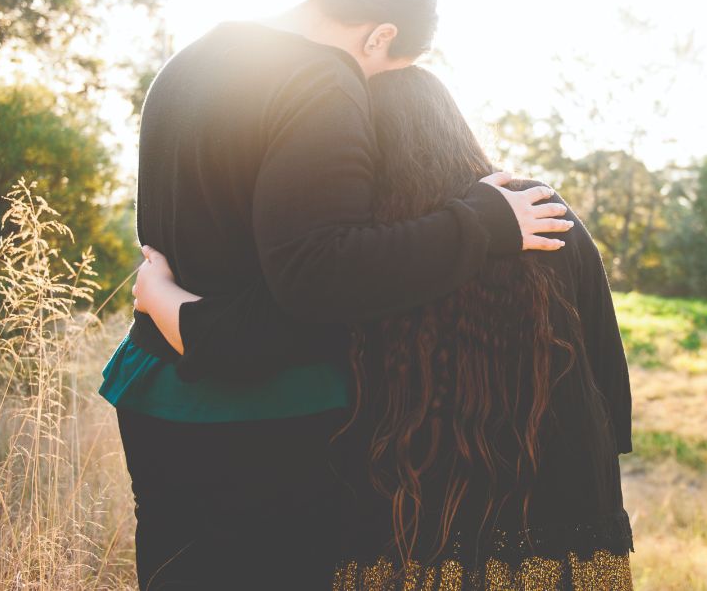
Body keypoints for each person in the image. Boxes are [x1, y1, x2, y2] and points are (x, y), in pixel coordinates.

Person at [99, 0, 574, 590]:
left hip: (156, 390)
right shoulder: (320, 75)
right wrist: (482, 223)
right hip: (265, 409)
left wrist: (168, 305)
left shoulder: (194, 59)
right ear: (378, 36)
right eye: (385, 70)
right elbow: (321, 270)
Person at [136, 67, 634, 590]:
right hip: (564, 513)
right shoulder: (538, 208)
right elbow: (608, 380)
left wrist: (158, 292)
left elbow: (241, 342)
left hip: (406, 522)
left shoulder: (362, 253)